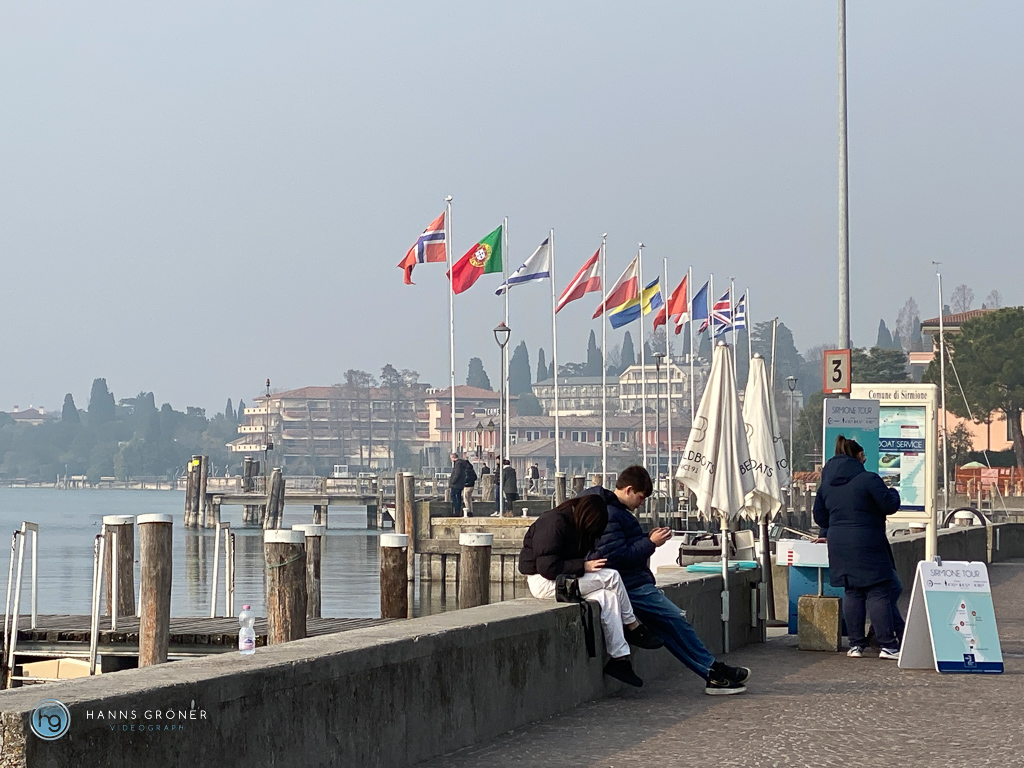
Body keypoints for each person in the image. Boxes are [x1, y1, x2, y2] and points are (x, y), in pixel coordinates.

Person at [585, 465, 751, 695]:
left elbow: (619, 550)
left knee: (670, 630)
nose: (641, 504)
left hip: (630, 583)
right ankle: (714, 671)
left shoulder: (613, 512)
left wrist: (646, 539)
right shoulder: (612, 514)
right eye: (641, 498)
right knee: (676, 621)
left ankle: (712, 672)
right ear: (630, 490)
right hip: (632, 586)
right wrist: (651, 543)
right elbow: (614, 558)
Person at [519, 494, 664, 687]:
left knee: (609, 597)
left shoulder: (573, 524)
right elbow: (547, 568)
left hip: (564, 579)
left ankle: (620, 660)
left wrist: (583, 565)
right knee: (611, 577)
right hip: (543, 582)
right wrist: (583, 566)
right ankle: (632, 626)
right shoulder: (553, 523)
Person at [813, 435, 902, 660]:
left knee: (852, 592)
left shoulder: (826, 485)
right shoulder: (868, 479)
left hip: (839, 544)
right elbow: (889, 505)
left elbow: (820, 516)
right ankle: (888, 645)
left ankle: (856, 645)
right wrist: (893, 492)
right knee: (878, 592)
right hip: (868, 541)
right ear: (859, 456)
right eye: (864, 456)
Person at [449, 452, 475, 517]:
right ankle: (464, 511)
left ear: (453, 457)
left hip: (456, 484)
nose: (450, 460)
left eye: (451, 458)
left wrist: (452, 482)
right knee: (461, 498)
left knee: (455, 497)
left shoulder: (458, 464)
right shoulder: (462, 464)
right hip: (461, 484)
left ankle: (458, 511)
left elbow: (457, 474)